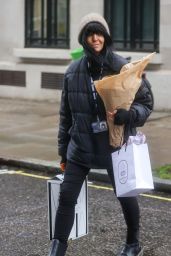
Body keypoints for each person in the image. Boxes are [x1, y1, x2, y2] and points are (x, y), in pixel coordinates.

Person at [48, 13, 153, 256]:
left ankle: (133, 243)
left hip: (114, 145)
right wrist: (63, 153)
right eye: (90, 34)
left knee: (125, 195)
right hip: (81, 145)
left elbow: (146, 103)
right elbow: (66, 117)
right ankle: (57, 248)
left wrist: (129, 115)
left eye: (99, 33)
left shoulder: (123, 67)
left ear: (106, 36)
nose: (95, 38)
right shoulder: (72, 72)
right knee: (66, 198)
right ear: (83, 39)